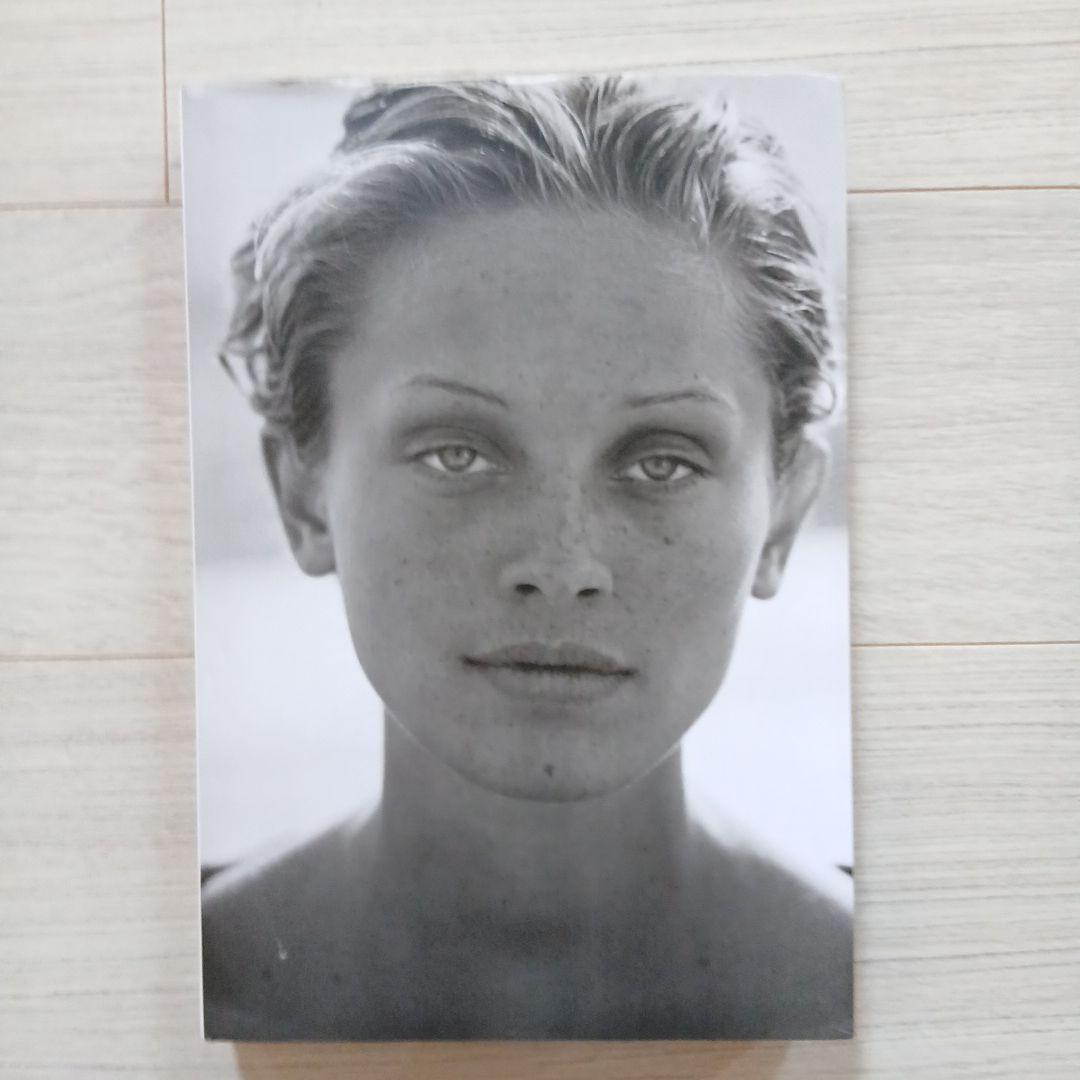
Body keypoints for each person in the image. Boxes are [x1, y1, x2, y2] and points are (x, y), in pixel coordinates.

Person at [200, 76, 851, 1040]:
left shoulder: (907, 996)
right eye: (456, 454)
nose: (560, 562)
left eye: (661, 462)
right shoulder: (152, 989)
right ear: (302, 491)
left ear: (785, 513)